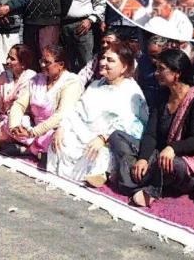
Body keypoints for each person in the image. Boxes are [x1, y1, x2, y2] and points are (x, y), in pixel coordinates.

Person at [110, 49, 194, 207]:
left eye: (161, 69)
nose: (156, 73)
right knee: (118, 136)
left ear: (177, 73)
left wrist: (173, 148)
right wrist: (143, 158)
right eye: (156, 68)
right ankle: (141, 182)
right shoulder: (162, 95)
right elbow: (151, 134)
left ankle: (140, 185)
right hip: (158, 154)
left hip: (184, 161)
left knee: (171, 164)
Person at [48, 41, 148, 186]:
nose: (103, 62)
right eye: (103, 58)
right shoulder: (96, 84)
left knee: (99, 154)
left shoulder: (131, 91)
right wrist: (62, 127)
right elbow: (77, 110)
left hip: (108, 140)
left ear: (124, 67)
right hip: (84, 132)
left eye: (110, 60)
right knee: (59, 140)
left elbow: (131, 125)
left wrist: (103, 138)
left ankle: (101, 174)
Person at [4, 45, 83, 157]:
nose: (42, 65)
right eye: (42, 61)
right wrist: (15, 126)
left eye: (47, 62)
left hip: (53, 127)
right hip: (32, 129)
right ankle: (33, 149)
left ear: (61, 65)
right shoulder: (37, 79)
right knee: (8, 121)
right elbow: (19, 105)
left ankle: (29, 150)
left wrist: (33, 132)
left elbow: (61, 115)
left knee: (58, 138)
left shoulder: (71, 81)